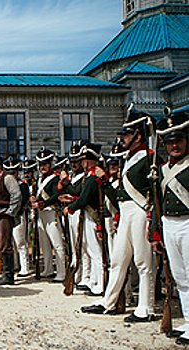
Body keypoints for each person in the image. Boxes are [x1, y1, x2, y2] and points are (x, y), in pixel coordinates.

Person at [82, 106, 159, 322]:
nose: (123, 138)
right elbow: (118, 195)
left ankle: (146, 307)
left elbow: (154, 193)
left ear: (137, 135)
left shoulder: (149, 157)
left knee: (143, 262)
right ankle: (109, 302)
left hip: (141, 211)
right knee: (117, 260)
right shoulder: (128, 159)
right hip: (125, 212)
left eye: (127, 134)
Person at [150, 109, 189, 345]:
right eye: (170, 142)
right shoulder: (162, 170)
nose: (174, 145)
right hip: (169, 224)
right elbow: (157, 204)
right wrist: (156, 232)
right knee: (180, 278)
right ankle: (188, 321)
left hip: (187, 222)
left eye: (179, 140)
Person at [63, 143, 105, 297]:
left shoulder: (93, 176)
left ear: (88, 160)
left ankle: (100, 283)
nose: (81, 163)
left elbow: (83, 198)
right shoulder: (90, 175)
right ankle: (94, 281)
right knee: (89, 249)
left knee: (95, 251)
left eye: (83, 160)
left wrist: (71, 208)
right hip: (88, 215)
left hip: (93, 216)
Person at [57, 141, 91, 290]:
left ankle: (86, 275)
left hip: (79, 211)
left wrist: (65, 181)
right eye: (72, 161)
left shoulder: (84, 177)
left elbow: (76, 192)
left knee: (82, 245)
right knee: (73, 244)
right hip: (70, 211)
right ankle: (77, 273)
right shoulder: (74, 176)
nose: (74, 164)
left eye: (77, 161)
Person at [29, 147, 66, 282]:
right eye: (40, 164)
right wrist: (33, 200)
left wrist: (42, 204)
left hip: (51, 212)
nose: (42, 167)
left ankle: (62, 272)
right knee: (44, 244)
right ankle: (48, 268)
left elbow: (56, 196)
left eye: (45, 164)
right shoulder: (39, 179)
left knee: (57, 243)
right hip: (41, 213)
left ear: (50, 164)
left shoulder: (55, 178)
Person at [0, 158, 21, 285]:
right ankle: (6, 274)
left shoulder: (8, 178)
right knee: (1, 244)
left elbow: (16, 195)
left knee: (6, 244)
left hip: (5, 215)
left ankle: (9, 275)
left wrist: (11, 211)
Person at [3, 157, 30, 277]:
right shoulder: (4, 184)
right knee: (10, 243)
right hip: (8, 216)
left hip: (18, 215)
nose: (11, 175)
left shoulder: (22, 185)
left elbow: (22, 200)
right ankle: (14, 265)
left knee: (20, 243)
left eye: (13, 172)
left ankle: (24, 267)